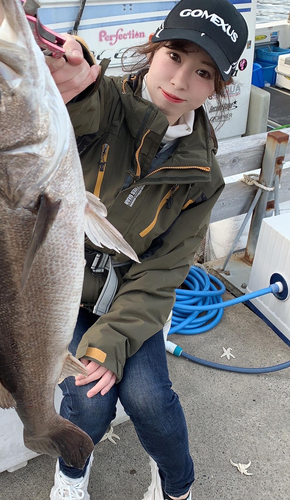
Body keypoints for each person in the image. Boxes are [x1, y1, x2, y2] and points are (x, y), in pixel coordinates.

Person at [45, 0, 248, 498]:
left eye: (203, 72)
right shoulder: (105, 101)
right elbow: (77, 99)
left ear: (217, 86)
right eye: (174, 55)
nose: (180, 80)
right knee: (88, 400)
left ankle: (176, 483)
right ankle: (72, 472)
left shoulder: (203, 175)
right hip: (59, 292)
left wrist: (108, 345)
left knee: (150, 397)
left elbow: (162, 273)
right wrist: (68, 69)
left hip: (131, 299)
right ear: (153, 48)